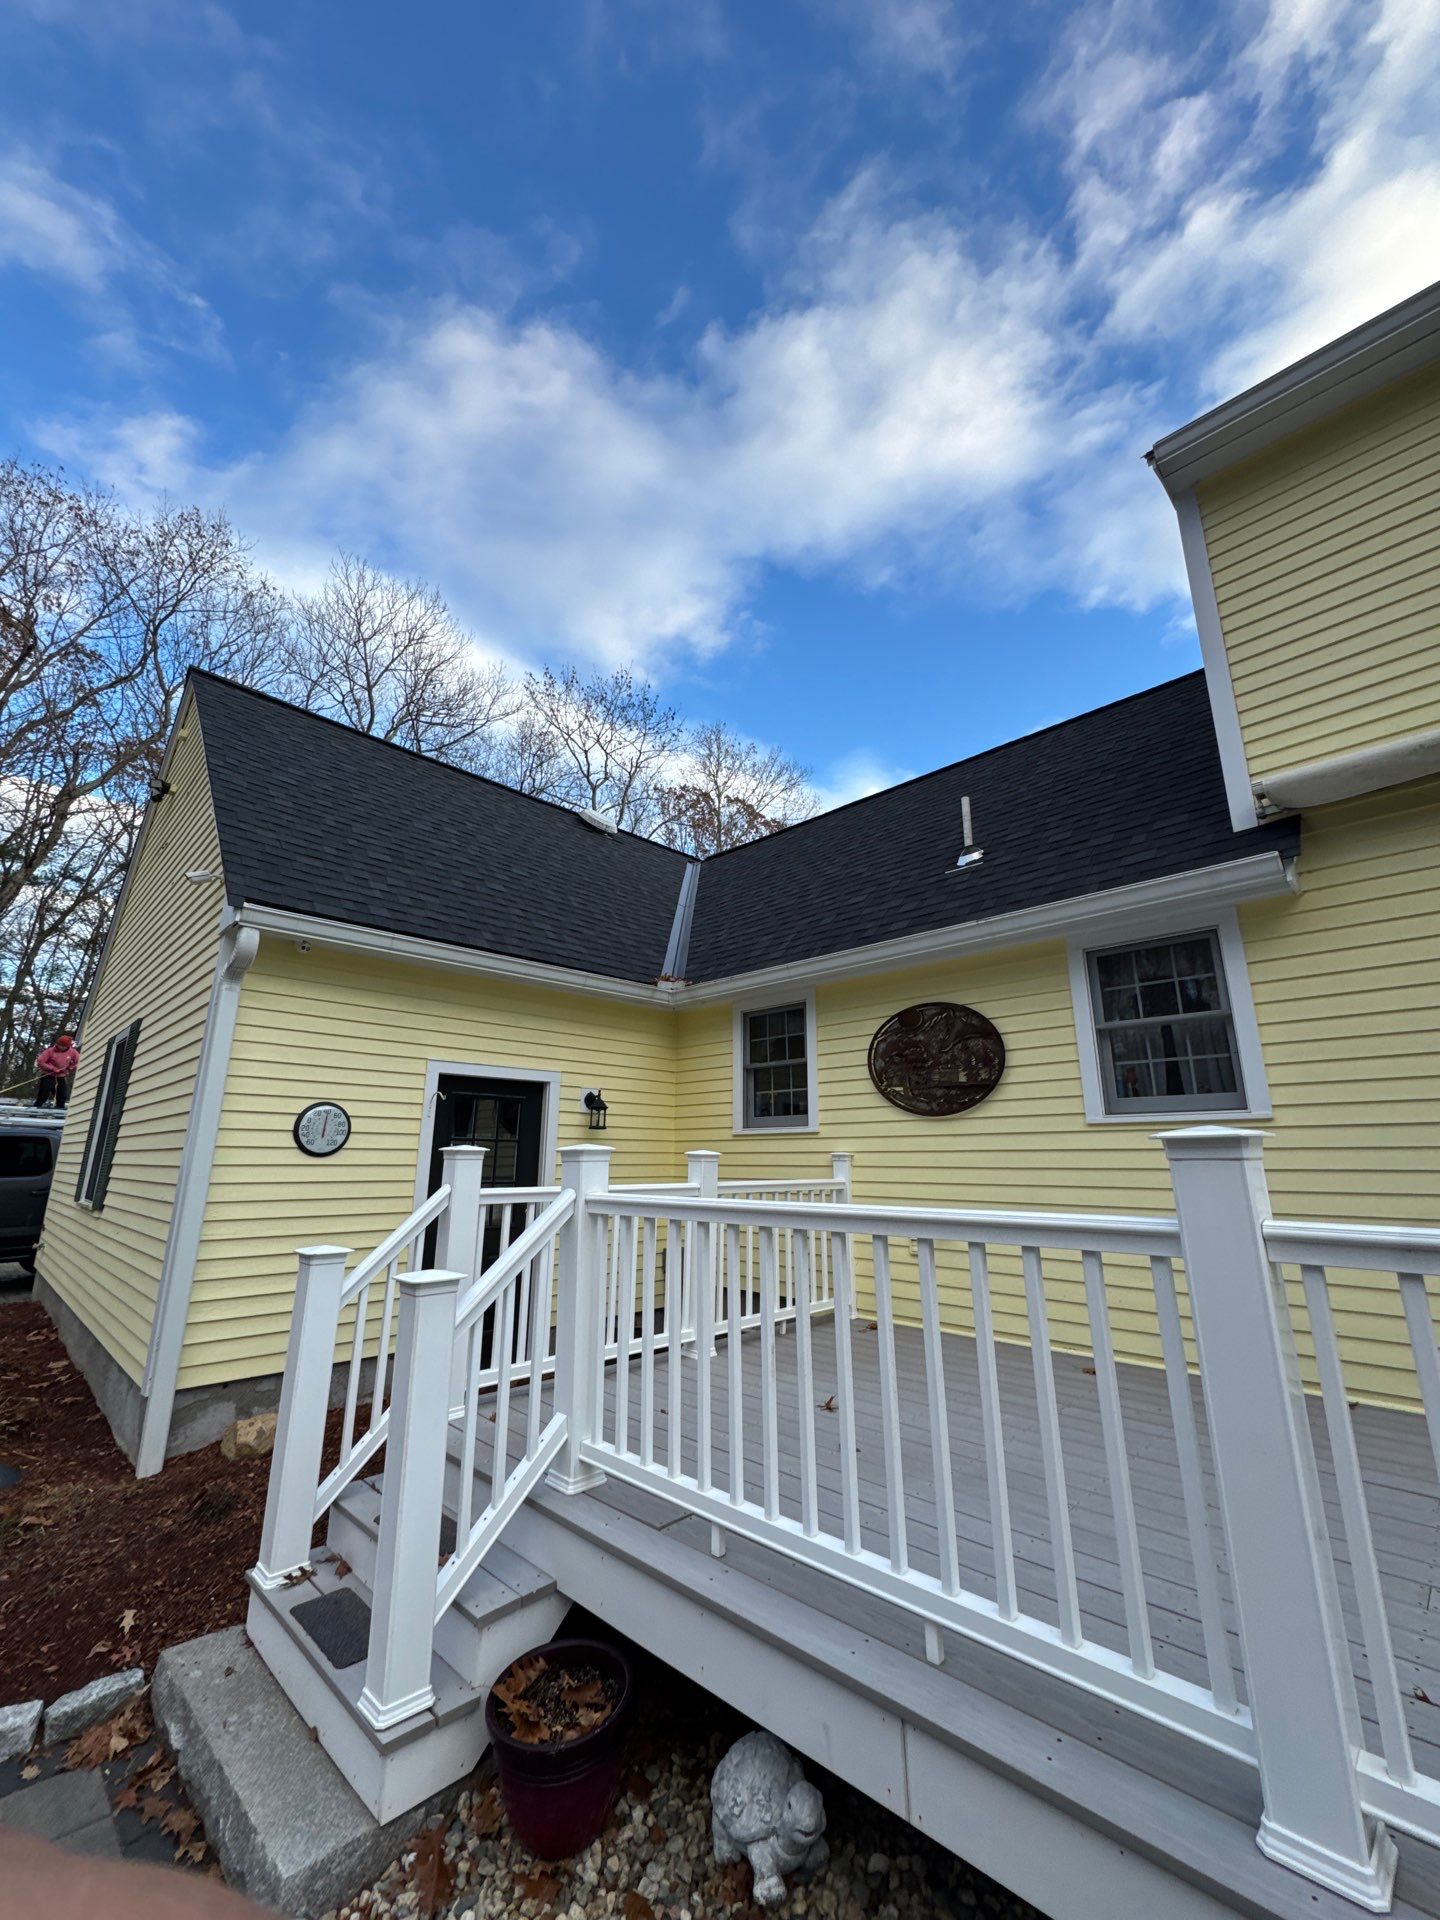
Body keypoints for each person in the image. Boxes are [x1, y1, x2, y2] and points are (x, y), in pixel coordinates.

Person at [34, 1032, 80, 1108]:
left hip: (61, 1076)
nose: (61, 1047)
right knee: (44, 1094)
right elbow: (40, 1061)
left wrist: (71, 1067)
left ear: (68, 1046)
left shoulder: (73, 1052)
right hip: (48, 1075)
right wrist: (52, 1068)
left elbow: (78, 1061)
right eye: (60, 1045)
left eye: (63, 1046)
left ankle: (59, 1110)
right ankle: (36, 1108)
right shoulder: (50, 1051)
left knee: (62, 1095)